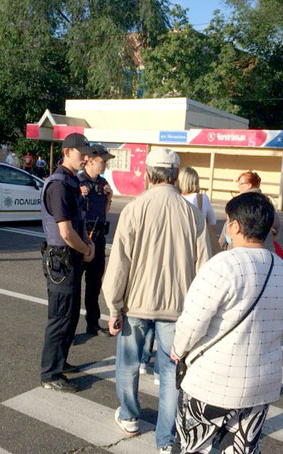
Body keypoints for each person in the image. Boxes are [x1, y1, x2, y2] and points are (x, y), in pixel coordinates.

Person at [102, 148, 211, 453]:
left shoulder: (134, 209)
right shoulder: (192, 214)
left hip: (136, 305)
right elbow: (205, 267)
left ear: (148, 175)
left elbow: (120, 263)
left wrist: (114, 306)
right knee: (170, 374)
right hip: (178, 309)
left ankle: (130, 416)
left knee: (127, 365)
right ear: (176, 176)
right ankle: (166, 441)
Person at [171, 192, 283, 454]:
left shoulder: (223, 265)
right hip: (261, 383)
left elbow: (193, 322)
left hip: (212, 381)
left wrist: (178, 350)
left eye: (228, 222)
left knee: (192, 447)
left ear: (235, 225)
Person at [39, 133, 95, 393]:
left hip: (72, 257)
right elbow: (65, 232)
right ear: (67, 151)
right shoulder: (60, 185)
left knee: (70, 315)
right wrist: (85, 249)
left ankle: (60, 362)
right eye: (81, 153)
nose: (86, 157)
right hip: (62, 260)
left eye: (87, 153)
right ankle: (50, 374)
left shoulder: (71, 181)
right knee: (60, 317)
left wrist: (87, 245)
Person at [78, 144, 115, 337]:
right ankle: (67, 329)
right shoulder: (77, 181)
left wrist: (109, 198)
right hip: (82, 238)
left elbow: (104, 213)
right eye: (103, 162)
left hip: (98, 237)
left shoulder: (102, 183)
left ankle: (92, 324)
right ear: (90, 160)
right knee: (75, 285)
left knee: (94, 283)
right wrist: (78, 194)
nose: (105, 166)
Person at [218, 171, 280, 250]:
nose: (238, 186)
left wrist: (220, 245)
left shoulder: (241, 202)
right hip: (263, 249)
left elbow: (228, 224)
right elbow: (277, 225)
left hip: (238, 248)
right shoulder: (265, 202)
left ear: (250, 185)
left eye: (241, 184)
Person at [178, 167, 220, 255]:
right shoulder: (202, 198)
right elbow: (212, 223)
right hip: (199, 246)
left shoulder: (176, 198)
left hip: (180, 244)